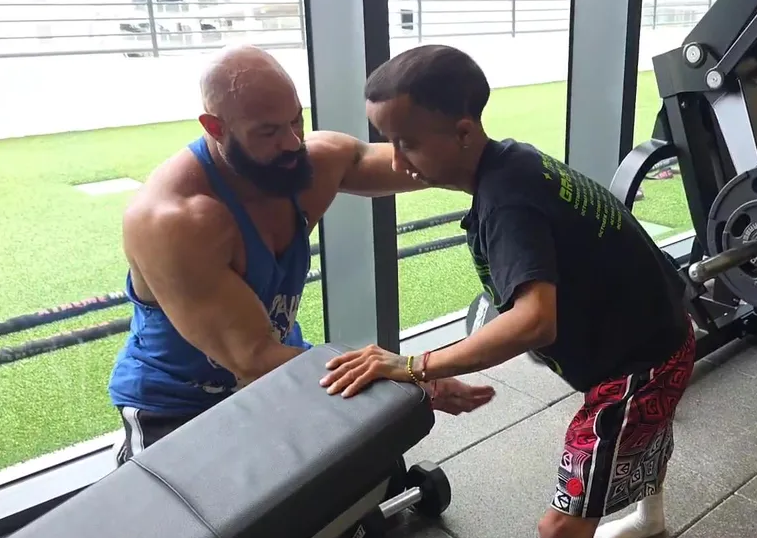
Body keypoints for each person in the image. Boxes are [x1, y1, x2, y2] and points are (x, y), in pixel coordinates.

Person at [321, 44, 695, 538]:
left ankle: (635, 521)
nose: (396, 161)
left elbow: (534, 320)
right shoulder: (512, 160)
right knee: (640, 433)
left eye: (408, 143)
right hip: (660, 330)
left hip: (639, 369)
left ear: (463, 132)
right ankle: (650, 517)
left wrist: (415, 366)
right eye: (388, 141)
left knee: (561, 532)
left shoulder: (505, 203)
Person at [107, 44, 496, 465]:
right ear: (215, 127)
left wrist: (508, 168)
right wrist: (413, 377)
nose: (293, 142)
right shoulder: (175, 220)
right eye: (268, 132)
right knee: (231, 509)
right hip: (178, 403)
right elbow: (253, 358)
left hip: (280, 369)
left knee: (363, 466)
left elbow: (427, 163)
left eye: (296, 119)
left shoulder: (305, 164)